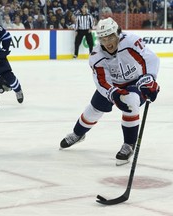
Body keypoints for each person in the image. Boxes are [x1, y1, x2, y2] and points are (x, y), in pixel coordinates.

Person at [60, 17, 160, 166]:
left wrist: (150, 79)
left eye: (110, 37)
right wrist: (113, 93)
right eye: (103, 38)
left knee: (131, 102)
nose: (107, 42)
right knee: (93, 110)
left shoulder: (132, 42)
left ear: (117, 33)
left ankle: (129, 144)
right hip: (111, 85)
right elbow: (102, 81)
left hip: (135, 81)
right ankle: (78, 134)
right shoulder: (96, 56)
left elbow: (151, 60)